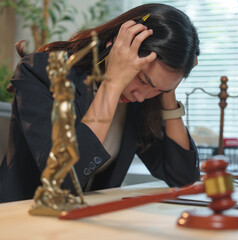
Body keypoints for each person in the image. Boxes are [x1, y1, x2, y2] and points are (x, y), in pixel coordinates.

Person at [0, 3, 200, 202]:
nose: (141, 96)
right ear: (116, 46)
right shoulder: (41, 72)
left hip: (85, 219)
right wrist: (113, 84)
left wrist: (167, 91)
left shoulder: (140, 99)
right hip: (21, 214)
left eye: (157, 89)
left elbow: (183, 178)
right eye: (142, 80)